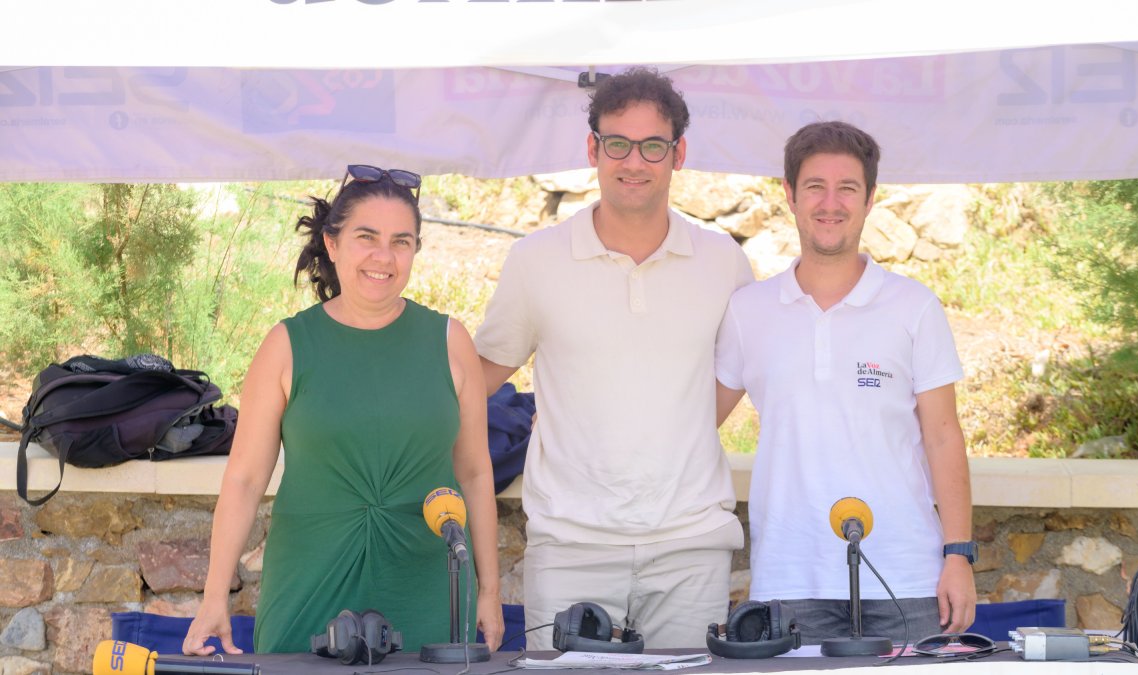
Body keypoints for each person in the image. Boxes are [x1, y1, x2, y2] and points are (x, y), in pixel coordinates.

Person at [473, 67, 754, 650]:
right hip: (570, 546)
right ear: (592, 148)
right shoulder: (535, 261)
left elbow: (735, 376)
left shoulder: (723, 260)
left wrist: (674, 436)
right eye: (617, 144)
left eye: (652, 145)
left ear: (678, 154)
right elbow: (477, 378)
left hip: (690, 544)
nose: (633, 161)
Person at [183, 165, 504, 655]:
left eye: (402, 241)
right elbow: (245, 479)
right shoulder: (287, 345)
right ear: (332, 245)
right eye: (366, 237)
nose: (384, 256)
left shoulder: (449, 341)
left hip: (426, 590)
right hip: (309, 588)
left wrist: (489, 590)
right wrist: (212, 598)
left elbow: (476, 473)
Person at [715, 121, 976, 645]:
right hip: (790, 575)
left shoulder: (914, 306)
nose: (829, 203)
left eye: (847, 188)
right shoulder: (748, 311)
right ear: (788, 195)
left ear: (870, 198)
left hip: (906, 575)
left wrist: (959, 555)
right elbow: (694, 421)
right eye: (814, 186)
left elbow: (944, 435)